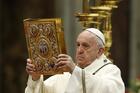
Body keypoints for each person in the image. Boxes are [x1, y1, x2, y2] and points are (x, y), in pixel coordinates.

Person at [25, 28, 125, 93]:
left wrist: (74, 70)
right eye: (78, 45)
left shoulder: (110, 71)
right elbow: (43, 90)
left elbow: (109, 90)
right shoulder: (65, 74)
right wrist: (35, 77)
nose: (80, 50)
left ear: (100, 51)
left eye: (85, 46)